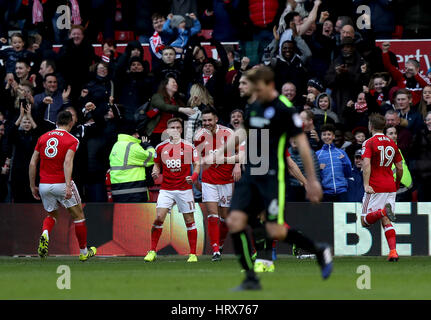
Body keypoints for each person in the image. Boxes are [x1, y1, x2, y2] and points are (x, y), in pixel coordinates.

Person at [218, 67, 331, 290]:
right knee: (234, 221)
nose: (253, 90)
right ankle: (251, 278)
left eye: (257, 86)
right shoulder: (254, 106)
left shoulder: (285, 109)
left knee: (274, 230)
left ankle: (319, 250)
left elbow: (303, 147)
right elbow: (242, 133)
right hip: (250, 175)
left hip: (271, 177)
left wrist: (312, 180)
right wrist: (219, 151)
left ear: (269, 85)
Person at [28, 110, 97, 261]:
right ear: (71, 122)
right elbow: (67, 162)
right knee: (79, 216)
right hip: (61, 182)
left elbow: (33, 162)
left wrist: (33, 185)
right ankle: (84, 252)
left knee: (52, 215)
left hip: (44, 184)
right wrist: (67, 186)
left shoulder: (43, 137)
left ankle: (45, 234)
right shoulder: (72, 140)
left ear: (57, 122)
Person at [144, 118, 200, 263]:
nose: (175, 130)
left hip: (184, 189)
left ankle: (192, 254)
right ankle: (152, 251)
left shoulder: (188, 147)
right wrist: (155, 172)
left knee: (189, 221)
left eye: (177, 127)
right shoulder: (161, 147)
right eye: (172, 127)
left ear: (181, 130)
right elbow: (156, 165)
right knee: (158, 218)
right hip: (167, 189)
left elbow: (196, 165)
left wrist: (193, 177)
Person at [194, 107, 242, 261]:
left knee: (225, 219)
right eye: (204, 121)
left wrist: (237, 166)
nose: (207, 123)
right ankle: (215, 250)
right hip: (209, 180)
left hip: (227, 180)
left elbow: (241, 151)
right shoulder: (199, 136)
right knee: (213, 216)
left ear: (216, 120)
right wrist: (196, 178)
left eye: (209, 120)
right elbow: (197, 160)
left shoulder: (228, 133)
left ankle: (220, 245)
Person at [360, 113, 403, 262]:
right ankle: (393, 252)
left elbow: (366, 164)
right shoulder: (392, 143)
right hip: (390, 185)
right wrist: (396, 184)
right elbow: (399, 167)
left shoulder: (369, 142)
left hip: (375, 186)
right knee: (386, 221)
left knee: (365, 220)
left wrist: (366, 185)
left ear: (370, 126)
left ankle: (382, 211)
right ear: (383, 126)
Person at [108, 124, 155, 203]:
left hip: (117, 190)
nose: (138, 135)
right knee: (137, 215)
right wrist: (148, 146)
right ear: (129, 135)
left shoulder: (116, 145)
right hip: (134, 191)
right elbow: (152, 158)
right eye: (135, 133)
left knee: (122, 214)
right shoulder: (132, 146)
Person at [316, 124, 352, 202]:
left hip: (342, 191)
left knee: (342, 214)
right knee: (327, 214)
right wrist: (318, 168)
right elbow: (314, 175)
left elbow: (349, 173)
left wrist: (345, 162)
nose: (326, 137)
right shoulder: (318, 155)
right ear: (321, 137)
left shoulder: (341, 152)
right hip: (326, 192)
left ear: (333, 136)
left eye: (329, 134)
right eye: (324, 135)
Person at [384, 125, 413, 202]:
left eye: (395, 133)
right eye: (391, 133)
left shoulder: (398, 149)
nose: (394, 136)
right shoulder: (382, 151)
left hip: (405, 189)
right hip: (392, 191)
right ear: (384, 136)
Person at [410, 111, 431, 201]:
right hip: (422, 175)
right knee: (423, 202)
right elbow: (413, 153)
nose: (430, 121)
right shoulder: (418, 134)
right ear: (425, 121)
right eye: (429, 119)